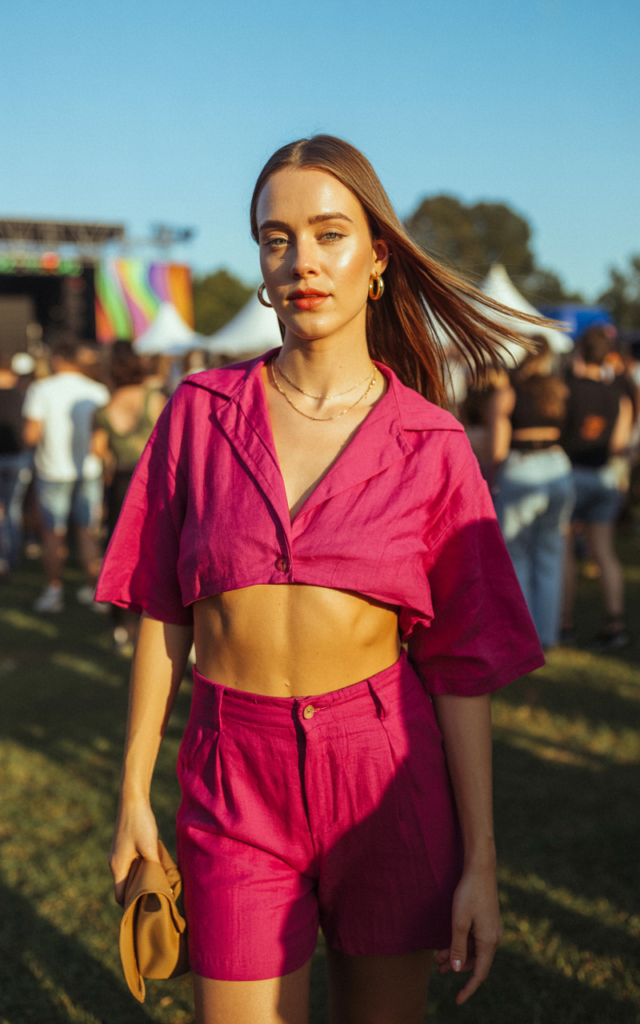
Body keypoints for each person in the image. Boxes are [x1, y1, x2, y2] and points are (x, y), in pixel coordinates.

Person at [98, 136, 545, 1024]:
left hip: (385, 777)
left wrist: (481, 864)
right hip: (232, 777)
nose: (302, 260)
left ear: (377, 256)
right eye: (277, 238)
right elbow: (161, 608)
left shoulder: (433, 445)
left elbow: (460, 671)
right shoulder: (198, 413)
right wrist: (130, 792)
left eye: (329, 233)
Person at [492, 337, 574, 648]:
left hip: (522, 467)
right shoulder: (560, 390)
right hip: (557, 466)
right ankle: (547, 635)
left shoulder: (510, 391)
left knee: (517, 557)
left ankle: (520, 636)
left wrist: (495, 473)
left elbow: (499, 443)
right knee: (550, 555)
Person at [23, 337, 109, 612]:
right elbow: (102, 443)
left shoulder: (41, 389)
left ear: (57, 359)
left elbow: (31, 434)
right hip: (88, 470)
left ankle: (54, 590)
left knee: (53, 534)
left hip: (52, 471)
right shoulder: (97, 391)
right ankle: (94, 589)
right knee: (87, 532)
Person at [561, 326, 633, 649]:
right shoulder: (617, 395)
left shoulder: (566, 389)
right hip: (603, 477)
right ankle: (615, 622)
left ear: (579, 352)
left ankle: (564, 624)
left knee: (564, 553)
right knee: (604, 553)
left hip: (571, 474)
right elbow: (618, 444)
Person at [92, 341, 166, 649]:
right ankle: (157, 619)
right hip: (152, 483)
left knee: (122, 553)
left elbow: (97, 452)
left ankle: (122, 625)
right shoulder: (153, 398)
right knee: (158, 552)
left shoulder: (105, 409)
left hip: (120, 485)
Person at [0, 353, 35, 576]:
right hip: (19, 460)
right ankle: (11, 558)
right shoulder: (24, 397)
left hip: (11, 459)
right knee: (12, 510)